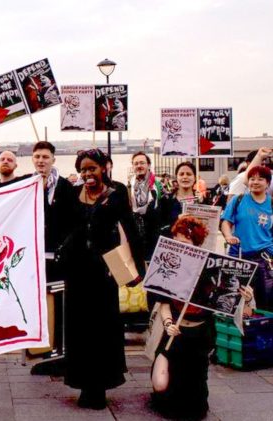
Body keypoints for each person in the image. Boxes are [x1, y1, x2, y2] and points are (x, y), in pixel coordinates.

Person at [60, 149, 144, 409]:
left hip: (104, 272)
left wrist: (137, 269)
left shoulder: (117, 194)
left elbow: (130, 230)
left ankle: (99, 387)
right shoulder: (73, 194)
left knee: (102, 329)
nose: (88, 174)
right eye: (83, 170)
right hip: (77, 272)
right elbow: (63, 225)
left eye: (92, 169)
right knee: (79, 329)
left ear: (104, 169)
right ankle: (83, 385)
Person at [150, 215, 255, 419]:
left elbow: (238, 308)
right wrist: (168, 323)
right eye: (176, 242)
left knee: (196, 407)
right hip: (175, 332)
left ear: (195, 243)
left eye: (185, 243)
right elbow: (163, 303)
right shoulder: (170, 265)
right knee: (161, 386)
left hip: (200, 334)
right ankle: (159, 371)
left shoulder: (211, 268)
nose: (180, 247)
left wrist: (247, 298)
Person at [29, 141, 78, 376]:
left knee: (60, 306)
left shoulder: (66, 187)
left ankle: (61, 355)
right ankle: (43, 353)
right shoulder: (26, 185)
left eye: (45, 157)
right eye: (37, 156)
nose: (41, 160)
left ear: (53, 160)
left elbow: (74, 222)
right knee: (41, 307)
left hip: (59, 257)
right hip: (35, 257)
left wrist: (63, 248)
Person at [221, 165, 273, 309]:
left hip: (265, 258)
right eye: (252, 178)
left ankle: (265, 328)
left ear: (268, 183)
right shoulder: (238, 200)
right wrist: (228, 235)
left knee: (266, 302)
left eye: (260, 179)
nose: (255, 182)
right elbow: (226, 222)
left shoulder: (272, 203)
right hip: (239, 256)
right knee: (237, 299)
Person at [129, 152, 161, 258]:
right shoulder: (130, 185)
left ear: (148, 165)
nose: (139, 166)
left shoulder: (158, 185)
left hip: (154, 235)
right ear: (133, 166)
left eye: (142, 163)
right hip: (136, 235)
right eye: (136, 163)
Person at [158, 162, 199, 237]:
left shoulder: (201, 201)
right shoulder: (166, 200)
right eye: (181, 174)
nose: (185, 177)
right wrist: (177, 220)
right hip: (173, 246)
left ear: (195, 178)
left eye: (189, 174)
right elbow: (159, 228)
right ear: (176, 178)